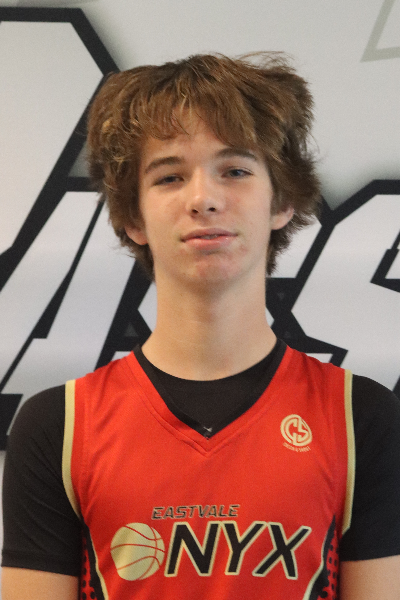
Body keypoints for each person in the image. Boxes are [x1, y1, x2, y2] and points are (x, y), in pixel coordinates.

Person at [2, 53, 400, 600]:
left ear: (282, 200)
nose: (203, 199)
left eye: (234, 170)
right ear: (133, 217)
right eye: (169, 176)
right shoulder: (59, 426)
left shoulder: (361, 417)